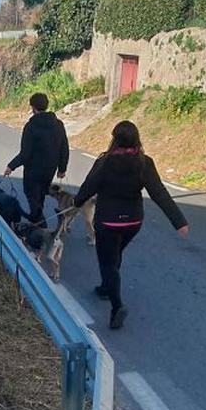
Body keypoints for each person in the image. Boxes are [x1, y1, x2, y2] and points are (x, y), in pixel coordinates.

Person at [73, 120, 189, 329]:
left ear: (114, 139)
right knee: (115, 256)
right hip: (133, 222)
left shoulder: (105, 162)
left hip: (108, 221)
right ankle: (105, 287)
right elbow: (159, 193)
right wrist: (179, 221)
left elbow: (89, 187)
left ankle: (117, 305)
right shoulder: (145, 162)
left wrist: (76, 202)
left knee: (108, 262)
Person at [3, 92, 69, 228]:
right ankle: (37, 222)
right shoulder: (58, 125)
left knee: (32, 197)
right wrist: (62, 168)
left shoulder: (31, 126)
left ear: (33, 108)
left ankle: (40, 225)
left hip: (33, 171)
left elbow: (25, 153)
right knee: (40, 197)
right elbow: (64, 147)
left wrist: (11, 166)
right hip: (49, 169)